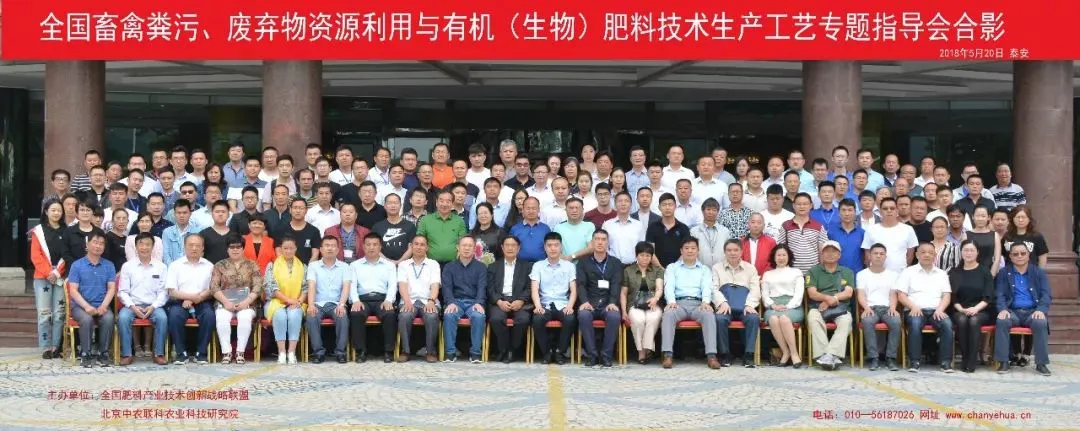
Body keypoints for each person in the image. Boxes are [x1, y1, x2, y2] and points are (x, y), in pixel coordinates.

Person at [659, 237, 720, 369]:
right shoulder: (672, 267)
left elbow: (707, 287)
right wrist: (671, 301)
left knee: (709, 315)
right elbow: (669, 286)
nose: (690, 251)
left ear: (698, 251)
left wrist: (706, 302)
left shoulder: (704, 269)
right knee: (668, 314)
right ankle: (668, 355)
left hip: (698, 304)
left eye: (693, 248)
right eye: (686, 248)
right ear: (681, 250)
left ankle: (711, 356)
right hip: (678, 303)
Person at [895, 242, 955, 373]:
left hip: (936, 310)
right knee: (915, 324)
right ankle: (914, 361)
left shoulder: (942, 274)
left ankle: (945, 362)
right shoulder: (908, 272)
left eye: (930, 253)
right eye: (923, 252)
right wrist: (912, 306)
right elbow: (901, 295)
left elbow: (946, 296)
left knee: (947, 324)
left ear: (935, 255)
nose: (926, 255)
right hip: (915, 309)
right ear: (917, 254)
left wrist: (940, 309)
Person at [994, 242, 1052, 376]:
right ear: (1010, 256)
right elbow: (999, 294)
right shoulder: (1004, 273)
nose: (1019, 256)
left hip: (1032, 311)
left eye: (1023, 253)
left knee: (1041, 322)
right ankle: (1003, 362)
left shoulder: (1039, 272)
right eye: (1015, 254)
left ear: (1028, 255)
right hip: (1012, 311)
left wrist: (1041, 310)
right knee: (1002, 321)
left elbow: (1046, 294)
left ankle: (1041, 363)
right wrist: (1002, 309)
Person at [117, 232, 169, 366]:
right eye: (141, 244)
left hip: (154, 305)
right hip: (132, 305)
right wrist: (133, 307)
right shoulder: (127, 266)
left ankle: (158, 353)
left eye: (148, 244)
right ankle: (127, 354)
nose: (144, 247)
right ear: (136, 247)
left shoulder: (161, 267)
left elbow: (163, 292)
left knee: (162, 318)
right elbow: (123, 292)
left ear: (153, 247)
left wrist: (153, 306)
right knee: (123, 318)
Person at [67, 232, 117, 368]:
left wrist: (104, 306)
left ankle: (103, 353)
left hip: (101, 304)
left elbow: (111, 288)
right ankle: (85, 353)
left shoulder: (109, 265)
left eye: (101, 244)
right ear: (87, 244)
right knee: (86, 319)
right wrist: (86, 307)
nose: (98, 246)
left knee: (108, 318)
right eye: (95, 242)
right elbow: (73, 290)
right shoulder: (77, 265)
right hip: (80, 306)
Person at [210, 235, 263, 364]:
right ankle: (226, 352)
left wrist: (246, 302)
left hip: (247, 304)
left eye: (238, 247)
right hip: (225, 303)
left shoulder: (252, 265)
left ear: (243, 248)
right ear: (227, 249)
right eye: (231, 247)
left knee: (245, 317)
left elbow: (258, 286)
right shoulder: (219, 265)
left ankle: (240, 352)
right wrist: (226, 302)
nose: (235, 249)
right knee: (222, 317)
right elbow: (213, 287)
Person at [348, 233, 399, 363]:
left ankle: (388, 351)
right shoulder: (354, 265)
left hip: (382, 299)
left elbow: (392, 285)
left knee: (389, 314)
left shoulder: (389, 265)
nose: (371, 247)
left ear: (380, 247)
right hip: (362, 299)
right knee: (356, 313)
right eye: (368, 244)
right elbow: (352, 285)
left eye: (375, 244)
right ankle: (360, 351)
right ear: (363, 246)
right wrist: (355, 301)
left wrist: (388, 300)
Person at [165, 234, 216, 365]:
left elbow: (212, 289)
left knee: (209, 316)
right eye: (191, 245)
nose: (194, 248)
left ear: (203, 248)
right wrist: (190, 298)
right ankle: (181, 353)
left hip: (202, 300)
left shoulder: (209, 266)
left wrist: (198, 298)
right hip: (180, 301)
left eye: (198, 245)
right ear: (184, 246)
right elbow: (171, 291)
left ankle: (201, 352)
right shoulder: (175, 265)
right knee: (174, 316)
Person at [575, 230, 623, 367]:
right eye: (597, 239)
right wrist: (584, 301)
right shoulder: (583, 262)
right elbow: (581, 284)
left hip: (608, 302)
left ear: (608, 243)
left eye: (603, 239)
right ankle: (592, 355)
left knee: (614, 316)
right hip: (590, 302)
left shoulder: (615, 263)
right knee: (583, 315)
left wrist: (613, 302)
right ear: (592, 242)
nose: (600, 242)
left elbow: (616, 284)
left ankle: (606, 356)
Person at [711, 239, 761, 368]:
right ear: (724, 252)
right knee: (719, 319)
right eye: (729, 250)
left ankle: (748, 355)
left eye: (735, 250)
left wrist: (749, 305)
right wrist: (722, 302)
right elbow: (713, 288)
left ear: (741, 251)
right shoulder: (717, 268)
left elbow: (755, 289)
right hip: (725, 306)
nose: (732, 253)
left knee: (753, 318)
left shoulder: (750, 268)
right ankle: (724, 354)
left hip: (744, 306)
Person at [530, 232, 578, 365]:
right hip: (544, 304)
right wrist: (538, 306)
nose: (553, 248)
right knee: (537, 319)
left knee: (570, 319)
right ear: (545, 247)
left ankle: (559, 352)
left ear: (561, 247)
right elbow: (534, 289)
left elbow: (573, 290)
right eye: (549, 245)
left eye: (556, 245)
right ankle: (547, 353)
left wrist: (570, 306)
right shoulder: (538, 266)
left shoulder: (569, 266)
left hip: (563, 304)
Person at [805, 241, 855, 371]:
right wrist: (826, 298)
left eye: (834, 251)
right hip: (818, 306)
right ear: (821, 254)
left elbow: (848, 293)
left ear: (839, 255)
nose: (830, 254)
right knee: (813, 318)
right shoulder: (813, 271)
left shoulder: (847, 272)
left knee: (846, 321)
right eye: (826, 251)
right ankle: (827, 355)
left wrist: (832, 299)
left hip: (841, 307)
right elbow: (812, 293)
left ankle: (829, 355)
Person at [305, 236, 353, 364]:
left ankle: (340, 352)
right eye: (327, 245)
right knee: (311, 317)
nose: (330, 248)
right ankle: (318, 352)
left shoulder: (344, 266)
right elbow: (311, 286)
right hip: (317, 303)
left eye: (333, 246)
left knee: (342, 317)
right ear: (321, 249)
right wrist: (311, 305)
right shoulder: (313, 266)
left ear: (338, 250)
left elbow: (346, 287)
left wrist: (342, 305)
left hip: (336, 303)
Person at [949, 240, 994, 373]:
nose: (968, 253)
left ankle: (972, 360)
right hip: (959, 309)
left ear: (977, 253)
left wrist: (976, 309)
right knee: (962, 319)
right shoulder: (954, 272)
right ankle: (965, 357)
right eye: (966, 250)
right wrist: (961, 309)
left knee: (974, 320)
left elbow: (988, 296)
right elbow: (952, 297)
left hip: (981, 310)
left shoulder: (984, 271)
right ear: (961, 252)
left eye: (972, 250)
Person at [486, 235, 533, 363]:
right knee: (496, 319)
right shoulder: (493, 266)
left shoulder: (527, 266)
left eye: (513, 245)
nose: (510, 248)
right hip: (500, 301)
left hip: (519, 301)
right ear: (502, 248)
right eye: (507, 245)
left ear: (518, 248)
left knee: (523, 319)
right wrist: (499, 301)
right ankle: (504, 349)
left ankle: (512, 349)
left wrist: (521, 300)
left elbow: (530, 287)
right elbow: (490, 288)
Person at [30, 200, 68, 359]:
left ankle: (56, 346)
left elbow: (68, 254)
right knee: (44, 314)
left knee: (59, 313)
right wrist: (49, 273)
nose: (56, 213)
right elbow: (35, 256)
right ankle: (45, 347)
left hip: (60, 276)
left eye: (59, 210)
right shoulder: (38, 231)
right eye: (53, 210)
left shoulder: (67, 231)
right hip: (42, 277)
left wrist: (57, 273)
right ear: (46, 211)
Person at [441, 236, 488, 363]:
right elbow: (446, 287)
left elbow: (482, 287)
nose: (467, 248)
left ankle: (475, 353)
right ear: (458, 247)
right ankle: (450, 353)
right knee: (449, 315)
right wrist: (450, 302)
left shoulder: (481, 267)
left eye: (470, 246)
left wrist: (479, 303)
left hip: (473, 302)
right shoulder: (449, 267)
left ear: (474, 249)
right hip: (455, 302)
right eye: (464, 245)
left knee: (478, 316)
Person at [856, 243, 902, 371]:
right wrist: (866, 308)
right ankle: (873, 358)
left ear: (885, 257)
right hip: (870, 308)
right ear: (869, 256)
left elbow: (893, 294)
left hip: (887, 308)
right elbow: (861, 294)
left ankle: (890, 358)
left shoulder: (893, 275)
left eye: (882, 254)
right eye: (875, 253)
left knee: (896, 322)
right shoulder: (862, 274)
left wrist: (893, 308)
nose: (878, 256)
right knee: (867, 321)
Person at [396, 235, 442, 363]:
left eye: (422, 244)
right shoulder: (403, 265)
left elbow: (435, 285)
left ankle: (430, 351)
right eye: (416, 244)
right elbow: (402, 285)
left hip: (428, 300)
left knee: (431, 316)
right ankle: (405, 351)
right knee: (404, 316)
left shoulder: (433, 264)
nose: (419, 247)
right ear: (411, 246)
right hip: (408, 300)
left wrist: (431, 301)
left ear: (427, 247)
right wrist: (407, 301)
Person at [263, 236, 306, 365]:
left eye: (291, 248)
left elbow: (305, 288)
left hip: (297, 302)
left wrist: (298, 301)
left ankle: (291, 352)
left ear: (296, 249)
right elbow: (271, 288)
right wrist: (288, 300)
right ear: (280, 249)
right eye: (285, 248)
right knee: (280, 315)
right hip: (275, 302)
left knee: (294, 315)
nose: (288, 251)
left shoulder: (303, 266)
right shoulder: (272, 265)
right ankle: (281, 352)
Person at [621, 242, 665, 364]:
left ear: (651, 257)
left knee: (653, 318)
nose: (645, 258)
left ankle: (646, 349)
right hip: (634, 305)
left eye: (648, 255)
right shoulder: (628, 270)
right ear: (636, 255)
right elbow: (623, 293)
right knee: (638, 320)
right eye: (642, 255)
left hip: (653, 303)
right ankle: (641, 352)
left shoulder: (657, 270)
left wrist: (655, 298)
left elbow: (659, 288)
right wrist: (624, 311)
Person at [761, 244, 805, 368]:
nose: (781, 258)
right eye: (778, 255)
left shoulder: (796, 272)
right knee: (773, 319)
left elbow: (799, 294)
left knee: (784, 318)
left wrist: (788, 306)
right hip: (773, 306)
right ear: (774, 257)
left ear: (789, 256)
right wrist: (773, 305)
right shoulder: (767, 274)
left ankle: (794, 354)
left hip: (793, 306)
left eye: (784, 255)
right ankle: (785, 352)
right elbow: (765, 295)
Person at [417, 190, 468, 265]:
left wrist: (457, 263)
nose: (444, 204)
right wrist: (426, 262)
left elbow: (463, 243)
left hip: (454, 264)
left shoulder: (459, 221)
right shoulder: (425, 220)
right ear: (436, 203)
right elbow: (419, 242)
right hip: (430, 264)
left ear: (452, 204)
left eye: (448, 201)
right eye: (441, 201)